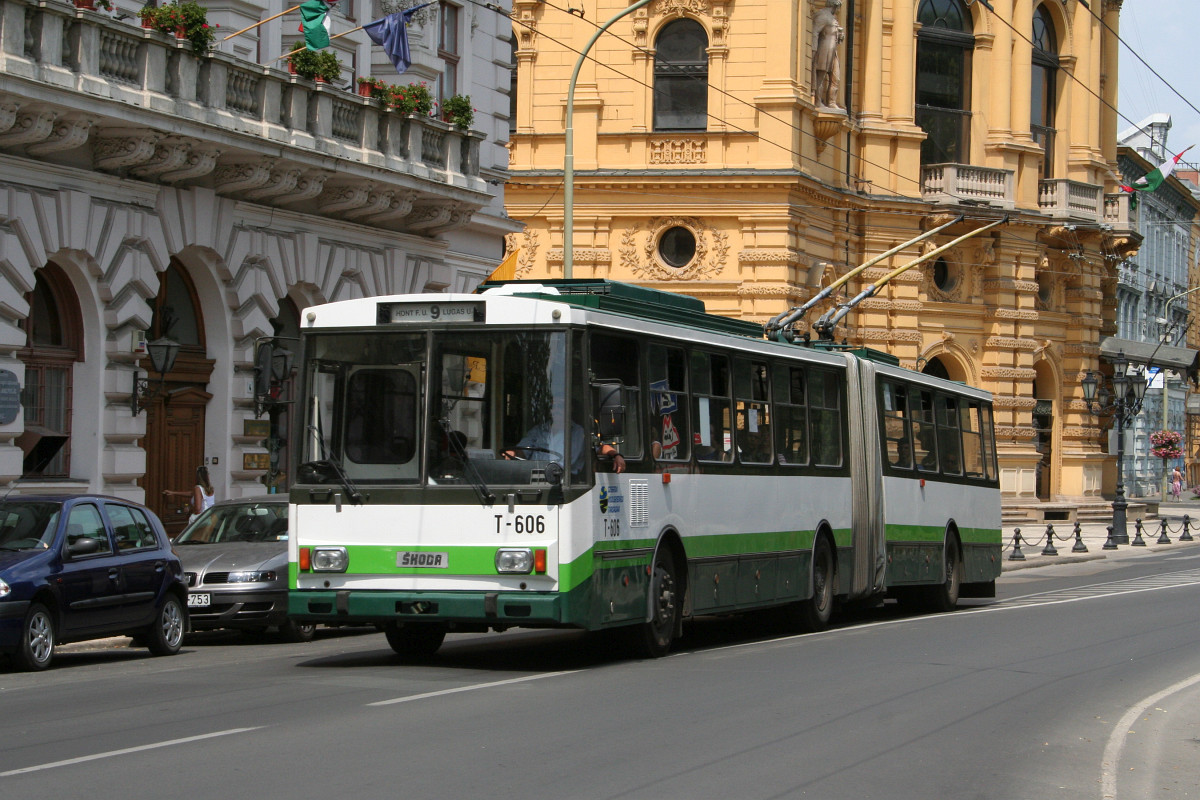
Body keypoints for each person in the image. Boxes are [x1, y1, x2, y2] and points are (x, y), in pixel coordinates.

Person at [812, 0, 844, 110]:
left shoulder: (832, 17)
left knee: (836, 78)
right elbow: (815, 32)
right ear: (835, 5)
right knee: (820, 76)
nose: (839, 10)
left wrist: (839, 35)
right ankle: (817, 100)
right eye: (839, 7)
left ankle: (831, 102)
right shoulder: (823, 15)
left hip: (833, 51)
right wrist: (814, 48)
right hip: (824, 49)